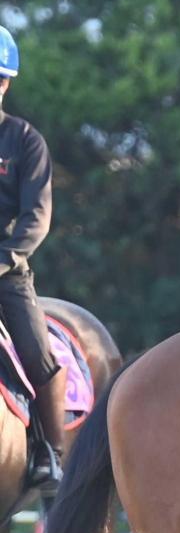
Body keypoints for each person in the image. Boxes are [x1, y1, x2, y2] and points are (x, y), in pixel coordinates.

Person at [0, 26, 65, 493]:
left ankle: (50, 452)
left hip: (7, 271)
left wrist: (3, 259)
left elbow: (37, 217)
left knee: (36, 356)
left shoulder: (25, 141)